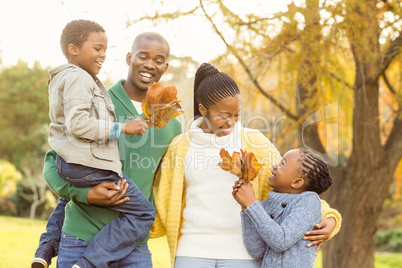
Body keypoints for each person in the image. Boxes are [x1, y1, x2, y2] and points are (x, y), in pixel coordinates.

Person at [150, 62, 342, 268]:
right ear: (203, 109)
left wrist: (330, 218)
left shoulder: (254, 143)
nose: (231, 122)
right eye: (223, 116)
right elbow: (162, 200)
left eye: (236, 115)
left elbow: (290, 188)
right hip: (191, 251)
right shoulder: (180, 147)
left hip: (244, 255)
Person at [31, 27, 182, 267]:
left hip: (134, 247)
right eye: (143, 56)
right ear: (129, 58)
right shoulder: (97, 100)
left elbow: (169, 180)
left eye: (159, 61)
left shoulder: (172, 124)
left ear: (165, 67)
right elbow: (53, 163)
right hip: (81, 236)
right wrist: (85, 194)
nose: (150, 65)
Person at [232, 148, 333, 267]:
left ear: (296, 182)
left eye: (282, 164)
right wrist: (245, 207)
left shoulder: (308, 201)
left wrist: (251, 203)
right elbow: (257, 250)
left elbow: (281, 241)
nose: (275, 166)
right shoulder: (266, 205)